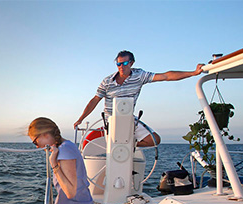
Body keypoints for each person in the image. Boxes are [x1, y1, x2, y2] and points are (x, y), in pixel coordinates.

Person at [74, 50, 205, 147]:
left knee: (154, 140)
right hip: (110, 122)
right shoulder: (107, 81)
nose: (121, 66)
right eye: (118, 64)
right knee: (115, 151)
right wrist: (81, 118)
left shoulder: (139, 75)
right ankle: (125, 146)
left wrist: (193, 73)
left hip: (129, 119)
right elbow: (95, 100)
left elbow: (166, 76)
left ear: (131, 63)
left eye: (124, 63)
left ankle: (130, 145)